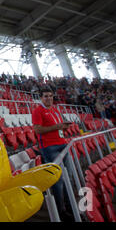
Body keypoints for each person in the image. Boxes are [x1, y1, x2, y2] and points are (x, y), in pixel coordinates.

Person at [32, 87, 73, 221]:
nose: (49, 98)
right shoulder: (38, 111)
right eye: (45, 96)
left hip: (63, 144)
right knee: (58, 180)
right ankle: (61, 211)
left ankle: (69, 206)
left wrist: (64, 127)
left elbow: (58, 127)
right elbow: (38, 130)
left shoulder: (55, 110)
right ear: (41, 98)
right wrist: (57, 127)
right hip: (50, 148)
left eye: (50, 95)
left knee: (68, 177)